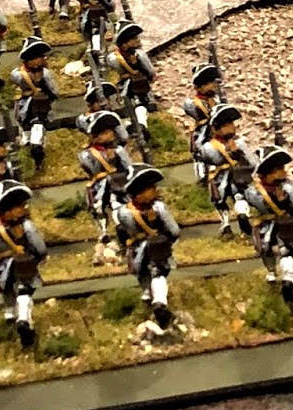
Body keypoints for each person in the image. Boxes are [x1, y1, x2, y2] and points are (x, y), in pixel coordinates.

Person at [114, 166, 180, 327]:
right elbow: (174, 231)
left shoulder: (122, 212)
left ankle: (150, 299)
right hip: (155, 248)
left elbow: (123, 232)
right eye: (151, 188)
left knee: (144, 273)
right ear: (140, 191)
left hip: (137, 250)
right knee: (158, 273)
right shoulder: (158, 208)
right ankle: (159, 302)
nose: (155, 190)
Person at [0, 182, 47, 348]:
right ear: (9, 209)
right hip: (22, 263)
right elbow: (39, 247)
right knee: (24, 291)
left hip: (3, 266)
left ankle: (11, 314)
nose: (23, 209)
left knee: (8, 289)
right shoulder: (27, 227)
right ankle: (23, 319)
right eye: (19, 206)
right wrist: (39, 257)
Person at [245, 147, 293, 304]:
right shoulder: (286, 190)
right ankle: (283, 277)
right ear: (271, 173)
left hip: (270, 227)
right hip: (279, 227)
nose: (284, 172)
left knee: (271, 250)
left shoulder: (252, 192)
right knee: (281, 251)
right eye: (280, 169)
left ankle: (278, 276)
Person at [77, 110, 134, 251]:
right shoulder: (86, 154)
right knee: (99, 210)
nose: (111, 134)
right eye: (107, 132)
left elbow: (129, 168)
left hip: (119, 185)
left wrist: (114, 160)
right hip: (100, 187)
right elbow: (93, 171)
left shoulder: (119, 150)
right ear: (97, 136)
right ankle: (103, 234)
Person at [198, 103, 254, 237]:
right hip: (220, 178)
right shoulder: (209, 147)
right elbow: (212, 160)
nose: (232, 127)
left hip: (234, 177)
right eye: (227, 125)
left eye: (231, 124)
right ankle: (226, 223)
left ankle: (242, 218)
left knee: (238, 196)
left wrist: (238, 153)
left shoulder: (239, 143)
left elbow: (252, 162)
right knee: (221, 200)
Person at [11, 37, 59, 170]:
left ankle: (38, 155)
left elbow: (53, 90)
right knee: (25, 133)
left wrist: (48, 97)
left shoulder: (45, 74)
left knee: (38, 131)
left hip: (39, 107)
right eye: (38, 57)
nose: (41, 59)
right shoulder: (18, 74)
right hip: (24, 106)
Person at [107, 20, 156, 145]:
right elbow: (150, 71)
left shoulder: (113, 58)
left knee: (137, 104)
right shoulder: (137, 55)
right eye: (134, 38)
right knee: (136, 104)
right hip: (134, 84)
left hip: (132, 84)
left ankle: (139, 126)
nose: (137, 40)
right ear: (125, 42)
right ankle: (135, 126)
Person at [182, 63, 224, 183]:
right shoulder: (192, 103)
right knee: (200, 155)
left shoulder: (216, 99)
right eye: (211, 83)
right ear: (202, 86)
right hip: (202, 132)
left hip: (216, 131)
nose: (215, 86)